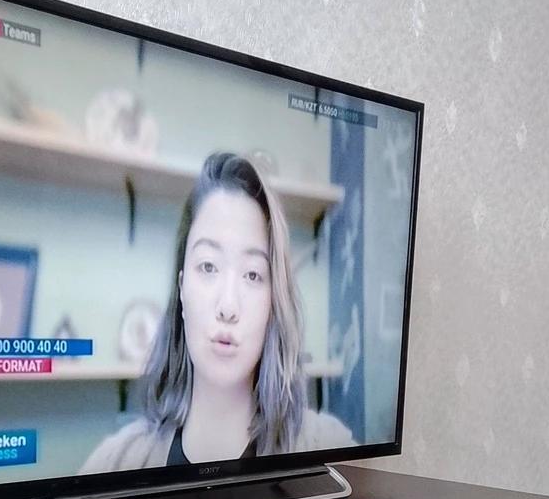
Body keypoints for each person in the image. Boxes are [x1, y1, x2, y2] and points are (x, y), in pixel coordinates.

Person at [81, 152, 352, 473]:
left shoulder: (328, 450)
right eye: (208, 266)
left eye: (252, 274)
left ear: (273, 303)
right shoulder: (115, 462)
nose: (228, 307)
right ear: (182, 288)